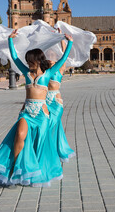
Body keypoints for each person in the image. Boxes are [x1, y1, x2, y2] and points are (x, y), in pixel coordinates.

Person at [0, 29, 73, 187]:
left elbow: (63, 58)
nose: (28, 64)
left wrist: (69, 42)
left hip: (41, 114)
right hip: (26, 114)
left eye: (30, 62)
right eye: (27, 62)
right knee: (19, 135)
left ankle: (34, 172)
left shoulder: (48, 73)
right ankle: (16, 168)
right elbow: (14, 57)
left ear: (38, 61)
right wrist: (10, 40)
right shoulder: (26, 73)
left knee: (39, 145)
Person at [46, 35, 75, 164]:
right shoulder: (44, 71)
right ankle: (52, 150)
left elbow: (65, 55)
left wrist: (63, 40)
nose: (51, 59)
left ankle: (52, 150)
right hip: (45, 102)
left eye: (53, 56)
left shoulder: (60, 69)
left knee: (52, 125)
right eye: (49, 56)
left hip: (56, 103)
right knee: (50, 127)